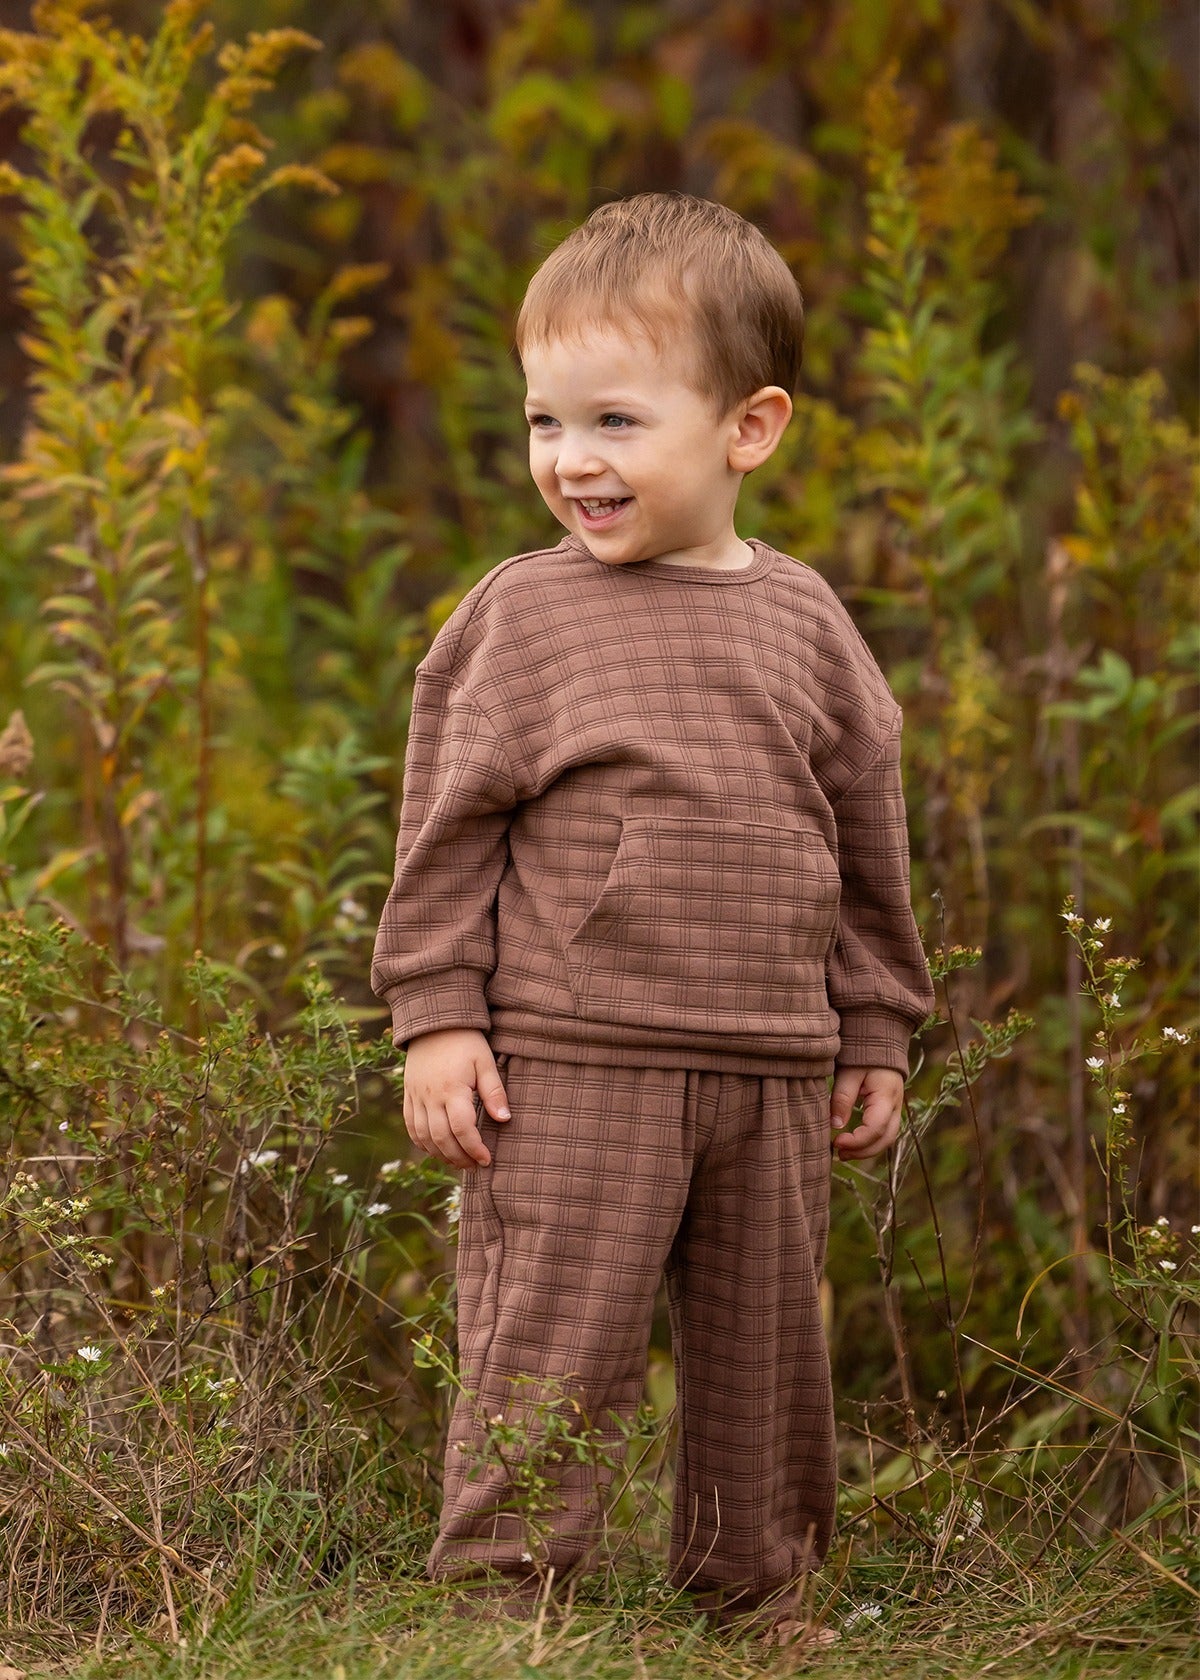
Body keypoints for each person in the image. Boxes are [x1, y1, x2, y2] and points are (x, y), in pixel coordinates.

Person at [371, 191, 933, 1640]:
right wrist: (437, 1020)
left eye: (615, 422)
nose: (570, 462)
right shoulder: (522, 618)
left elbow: (865, 840)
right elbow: (443, 841)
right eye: (545, 423)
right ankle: (508, 1600)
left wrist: (875, 1020)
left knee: (763, 1358)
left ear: (747, 428)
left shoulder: (807, 623)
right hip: (573, 1060)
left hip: (769, 1064)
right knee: (551, 1346)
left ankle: (757, 1591)